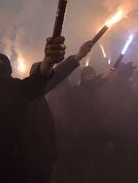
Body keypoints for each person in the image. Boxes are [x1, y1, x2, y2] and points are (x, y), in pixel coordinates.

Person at [0, 36, 66, 183]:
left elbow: (35, 83)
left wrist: (48, 61)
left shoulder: (16, 88)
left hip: (12, 170)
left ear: (7, 68)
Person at [16, 41, 93, 183]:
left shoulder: (41, 97)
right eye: (44, 73)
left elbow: (56, 77)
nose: (48, 77)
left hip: (43, 156)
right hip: (30, 159)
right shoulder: (25, 95)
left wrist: (77, 57)